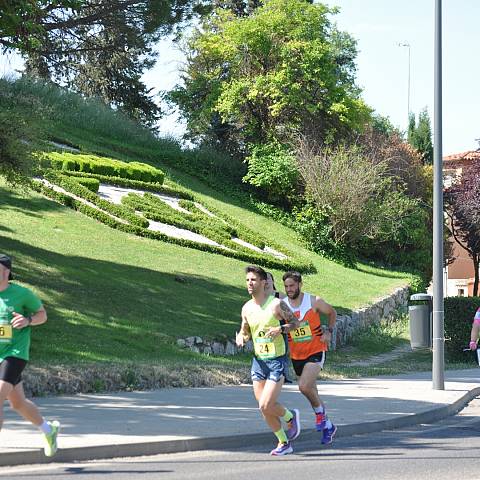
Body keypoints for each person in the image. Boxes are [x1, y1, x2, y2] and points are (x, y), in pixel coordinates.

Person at [236, 265, 302, 456]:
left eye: (254, 280)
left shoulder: (276, 304)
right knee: (265, 408)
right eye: (248, 280)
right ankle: (284, 441)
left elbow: (295, 324)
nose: (250, 283)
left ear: (264, 283)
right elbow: (246, 330)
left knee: (266, 404)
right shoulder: (246, 308)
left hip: (276, 361)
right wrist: (242, 338)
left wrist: (279, 329)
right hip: (259, 362)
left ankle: (290, 417)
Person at [0, 254, 60, 457]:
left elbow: (42, 315)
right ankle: (48, 430)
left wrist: (27, 320)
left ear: (6, 271)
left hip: (15, 353)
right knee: (17, 403)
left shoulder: (22, 294)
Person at [282, 270, 337, 445]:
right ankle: (328, 425)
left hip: (315, 350)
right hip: (297, 354)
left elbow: (332, 313)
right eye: (286, 286)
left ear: (300, 284)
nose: (289, 289)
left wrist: (328, 331)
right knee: (311, 390)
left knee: (304, 386)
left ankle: (320, 415)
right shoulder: (282, 305)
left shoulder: (314, 301)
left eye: (292, 285)